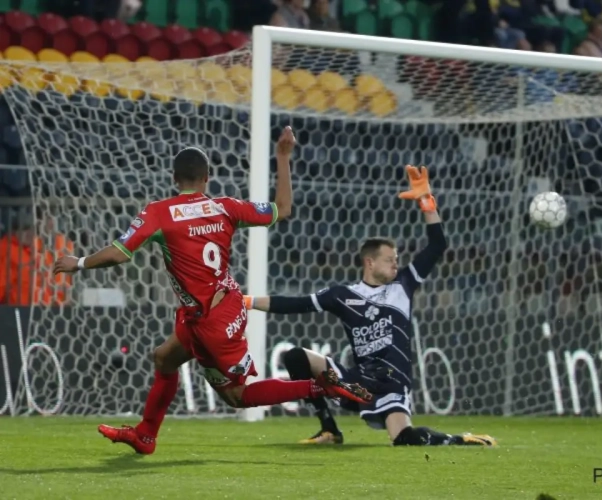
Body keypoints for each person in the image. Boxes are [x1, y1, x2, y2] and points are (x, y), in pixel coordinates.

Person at [53, 127, 371, 455]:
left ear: (174, 178)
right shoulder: (225, 207)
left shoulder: (159, 213)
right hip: (223, 306)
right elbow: (282, 209)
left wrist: (78, 262)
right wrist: (283, 157)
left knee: (238, 397)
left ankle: (319, 387)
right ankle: (146, 435)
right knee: (164, 358)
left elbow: (120, 252)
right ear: (208, 177)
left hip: (210, 323)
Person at [245, 165, 496, 447]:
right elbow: (296, 304)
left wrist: (426, 200)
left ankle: (461, 440)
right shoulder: (342, 294)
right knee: (295, 357)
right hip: (356, 384)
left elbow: (437, 245)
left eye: (396, 259)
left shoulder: (402, 286)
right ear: (370, 262)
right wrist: (247, 302)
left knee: (404, 438)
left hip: (391, 383)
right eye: (390, 259)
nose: (396, 264)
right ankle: (329, 429)